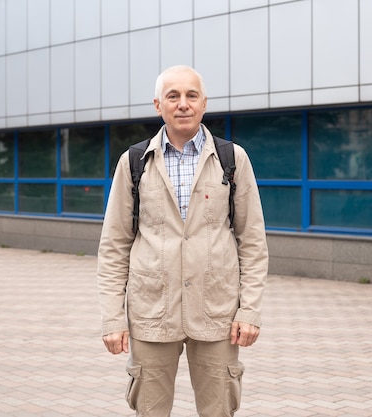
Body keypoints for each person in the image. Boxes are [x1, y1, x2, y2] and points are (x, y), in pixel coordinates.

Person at [96, 65, 269, 416]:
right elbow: (114, 246)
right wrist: (113, 319)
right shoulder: (134, 162)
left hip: (217, 314)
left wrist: (248, 310)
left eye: (191, 95)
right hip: (151, 314)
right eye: (173, 96)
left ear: (204, 103)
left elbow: (252, 241)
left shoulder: (232, 160)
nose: (183, 104)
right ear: (158, 104)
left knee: (218, 410)